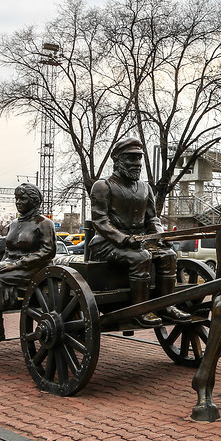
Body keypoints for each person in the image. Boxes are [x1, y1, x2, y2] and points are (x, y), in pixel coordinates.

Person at [90, 136, 188, 327]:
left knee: (168, 255)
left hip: (138, 242)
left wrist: (160, 236)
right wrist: (124, 239)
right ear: (117, 160)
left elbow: (152, 218)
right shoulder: (103, 186)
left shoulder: (145, 188)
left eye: (139, 159)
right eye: (131, 158)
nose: (137, 164)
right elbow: (100, 221)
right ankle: (140, 310)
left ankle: (166, 306)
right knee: (141, 257)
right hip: (106, 244)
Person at [0, 182, 56, 347]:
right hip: (11, 265)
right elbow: (8, 251)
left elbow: (48, 252)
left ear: (34, 200)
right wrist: (4, 265)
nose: (18, 202)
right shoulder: (14, 224)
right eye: (16, 198)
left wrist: (18, 264)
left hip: (33, 268)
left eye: (22, 198)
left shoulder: (44, 223)